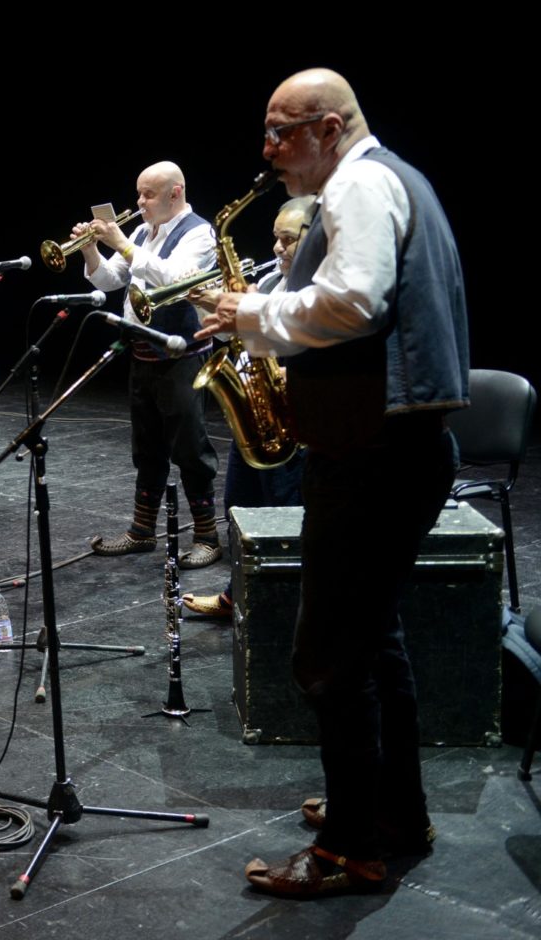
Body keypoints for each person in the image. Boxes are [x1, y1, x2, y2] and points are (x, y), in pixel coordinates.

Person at [196, 69, 468, 897]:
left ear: (328, 127)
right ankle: (393, 810)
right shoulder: (390, 181)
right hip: (393, 450)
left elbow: (352, 302)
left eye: (281, 132)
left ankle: (350, 851)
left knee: (329, 659)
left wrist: (252, 318)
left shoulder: (359, 187)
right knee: (376, 646)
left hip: (374, 455)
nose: (268, 149)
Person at [79, 162, 224, 569]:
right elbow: (109, 281)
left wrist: (122, 243)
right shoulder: (143, 232)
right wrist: (91, 247)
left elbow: (174, 277)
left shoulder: (199, 232)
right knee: (147, 449)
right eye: (139, 193)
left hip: (183, 356)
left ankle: (207, 536)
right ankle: (142, 532)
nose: (139, 202)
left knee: (191, 449)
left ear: (174, 193)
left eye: (148, 195)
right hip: (141, 351)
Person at [181, 196, 314, 617]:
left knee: (285, 517)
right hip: (253, 413)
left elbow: (295, 346)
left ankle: (285, 609)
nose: (277, 247)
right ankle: (238, 596)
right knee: (240, 509)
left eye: (288, 239)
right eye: (276, 238)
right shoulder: (273, 280)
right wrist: (212, 306)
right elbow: (235, 341)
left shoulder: (319, 291)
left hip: (291, 424)